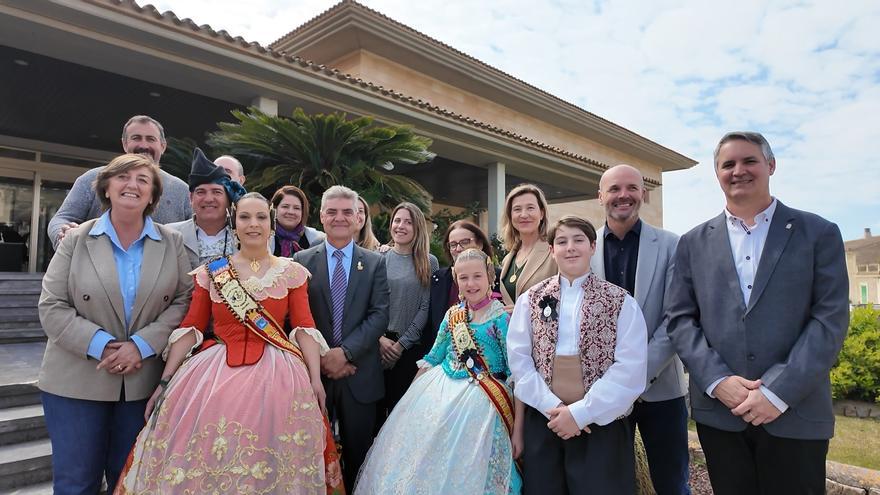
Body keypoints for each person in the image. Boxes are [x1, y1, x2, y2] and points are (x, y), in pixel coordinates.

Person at [115, 192, 344, 494]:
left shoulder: (292, 272)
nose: (253, 224)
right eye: (245, 217)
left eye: (261, 217)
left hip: (279, 380)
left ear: (271, 225)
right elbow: (191, 328)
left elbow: (304, 328)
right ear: (235, 225)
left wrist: (314, 380)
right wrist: (165, 382)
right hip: (212, 377)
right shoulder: (212, 273)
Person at [666, 132, 849, 495]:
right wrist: (718, 381)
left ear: (771, 165)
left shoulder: (819, 233)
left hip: (795, 412)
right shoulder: (692, 242)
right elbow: (680, 320)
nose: (738, 171)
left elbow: (829, 319)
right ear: (717, 173)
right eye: (728, 164)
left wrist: (777, 392)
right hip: (721, 415)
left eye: (749, 161)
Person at [37, 153, 193, 494]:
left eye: (143, 180)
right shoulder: (75, 239)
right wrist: (103, 346)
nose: (132, 185)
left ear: (153, 195)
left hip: (141, 384)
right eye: (123, 176)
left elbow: (185, 300)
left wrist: (141, 345)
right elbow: (51, 306)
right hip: (75, 382)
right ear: (106, 188)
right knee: (76, 484)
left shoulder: (172, 242)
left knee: (130, 484)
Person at [356, 248, 522, 494]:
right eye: (464, 278)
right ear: (456, 280)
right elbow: (433, 357)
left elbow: (515, 375)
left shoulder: (502, 319)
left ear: (490, 277)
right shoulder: (452, 315)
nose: (471, 283)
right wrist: (408, 406)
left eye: (477, 276)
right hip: (439, 394)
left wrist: (518, 430)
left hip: (485, 404)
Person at [507, 215, 647, 494]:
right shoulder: (530, 300)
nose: (570, 247)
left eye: (578, 240)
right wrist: (554, 407)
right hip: (546, 419)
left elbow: (630, 368)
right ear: (552, 250)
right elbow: (520, 360)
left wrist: (581, 413)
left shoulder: (620, 301)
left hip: (601, 422)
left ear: (592, 246)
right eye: (562, 241)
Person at [590, 164, 689, 495]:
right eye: (614, 189)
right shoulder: (584, 248)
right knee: (610, 484)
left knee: (672, 484)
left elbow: (676, 317)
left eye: (632, 188)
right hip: (603, 390)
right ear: (600, 196)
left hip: (661, 388)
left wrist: (634, 375)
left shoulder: (672, 245)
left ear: (643, 194)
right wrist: (613, 382)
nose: (624, 195)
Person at [293, 186, 390, 490]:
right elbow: (297, 317)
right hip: (314, 376)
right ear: (321, 216)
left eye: (347, 212)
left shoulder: (374, 263)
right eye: (332, 211)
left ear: (359, 218)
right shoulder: (300, 261)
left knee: (359, 459)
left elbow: (379, 316)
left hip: (359, 375)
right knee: (310, 457)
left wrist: (345, 353)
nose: (340, 218)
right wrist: (322, 358)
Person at [48, 115, 192, 248]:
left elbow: (197, 233)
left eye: (150, 139)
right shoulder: (93, 178)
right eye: (136, 138)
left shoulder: (181, 190)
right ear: (124, 144)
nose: (144, 145)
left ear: (163, 146)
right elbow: (62, 218)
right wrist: (63, 235)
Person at [376, 202, 439, 425]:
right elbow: (369, 304)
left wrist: (401, 345)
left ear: (417, 227)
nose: (401, 226)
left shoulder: (428, 261)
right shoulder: (378, 257)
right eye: (397, 220)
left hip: (409, 351)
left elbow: (425, 308)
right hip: (377, 346)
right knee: (375, 417)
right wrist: (379, 339)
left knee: (400, 418)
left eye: (408, 222)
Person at [166, 148, 246, 270]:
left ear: (228, 198)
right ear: (191, 198)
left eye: (217, 192)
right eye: (201, 192)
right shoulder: (169, 235)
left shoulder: (246, 235)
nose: (208, 199)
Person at [426, 219, 499, 348]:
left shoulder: (498, 278)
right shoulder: (438, 279)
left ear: (480, 244)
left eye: (465, 242)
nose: (458, 248)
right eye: (453, 244)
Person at [499, 184, 557, 311]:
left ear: (541, 213)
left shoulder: (554, 252)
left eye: (530, 208)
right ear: (510, 216)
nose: (524, 215)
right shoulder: (507, 259)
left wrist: (522, 311)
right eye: (517, 209)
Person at [270, 185, 325, 257]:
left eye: (296, 208)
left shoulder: (317, 239)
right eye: (285, 206)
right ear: (275, 209)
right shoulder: (264, 239)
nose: (291, 212)